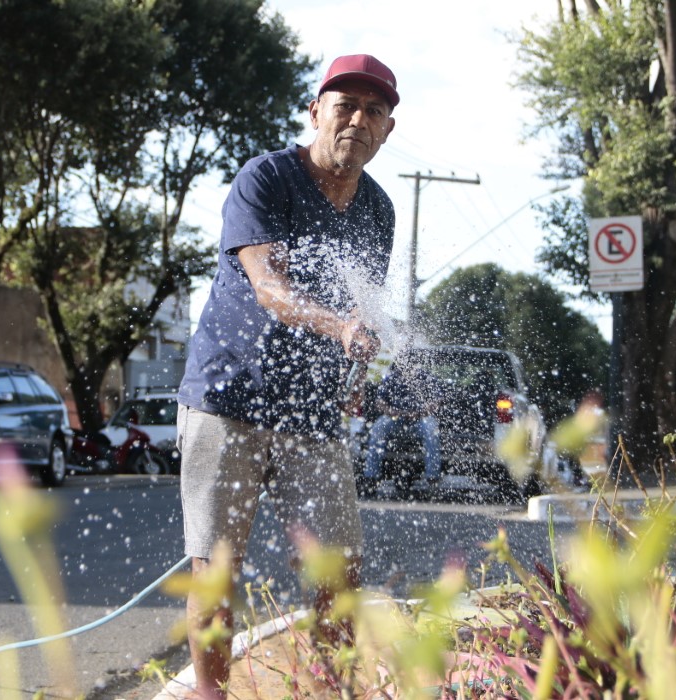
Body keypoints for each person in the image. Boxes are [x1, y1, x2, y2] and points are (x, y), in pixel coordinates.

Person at [175, 54, 399, 698]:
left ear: (387, 130)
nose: (358, 119)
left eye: (374, 111)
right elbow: (270, 289)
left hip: (312, 412)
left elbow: (364, 303)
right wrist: (343, 329)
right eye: (345, 106)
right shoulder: (266, 178)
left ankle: (327, 689)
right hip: (228, 398)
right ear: (316, 113)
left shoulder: (377, 210)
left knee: (338, 571)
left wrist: (354, 373)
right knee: (218, 570)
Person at [361, 361, 443, 491]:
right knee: (378, 428)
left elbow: (437, 400)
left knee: (431, 431)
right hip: (395, 418)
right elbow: (379, 401)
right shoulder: (392, 378)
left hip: (420, 418)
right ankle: (371, 475)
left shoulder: (425, 377)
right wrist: (390, 411)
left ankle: (432, 476)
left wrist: (421, 412)